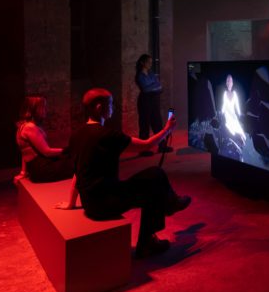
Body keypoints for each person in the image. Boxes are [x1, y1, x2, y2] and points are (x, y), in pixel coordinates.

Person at [57, 88, 191, 257]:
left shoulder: (76, 136)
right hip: (107, 202)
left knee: (152, 178)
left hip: (90, 204)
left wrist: (71, 203)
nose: (113, 107)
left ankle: (169, 207)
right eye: (110, 103)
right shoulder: (108, 135)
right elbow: (147, 145)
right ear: (99, 107)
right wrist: (167, 130)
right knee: (155, 178)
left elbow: (78, 172)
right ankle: (151, 235)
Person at [14, 96, 74, 183]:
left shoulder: (24, 126)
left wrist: (23, 172)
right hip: (43, 170)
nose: (46, 110)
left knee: (70, 158)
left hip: (37, 169)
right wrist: (67, 150)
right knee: (76, 163)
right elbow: (47, 152)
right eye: (43, 107)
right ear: (35, 109)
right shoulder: (30, 127)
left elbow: (24, 153)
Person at [135, 54, 172, 154]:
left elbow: (159, 86)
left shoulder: (151, 73)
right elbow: (146, 89)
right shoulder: (140, 75)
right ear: (142, 62)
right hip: (145, 102)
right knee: (144, 125)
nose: (150, 64)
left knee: (158, 124)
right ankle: (144, 149)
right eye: (148, 62)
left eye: (151, 62)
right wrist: (154, 86)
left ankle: (162, 146)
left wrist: (152, 86)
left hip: (154, 102)